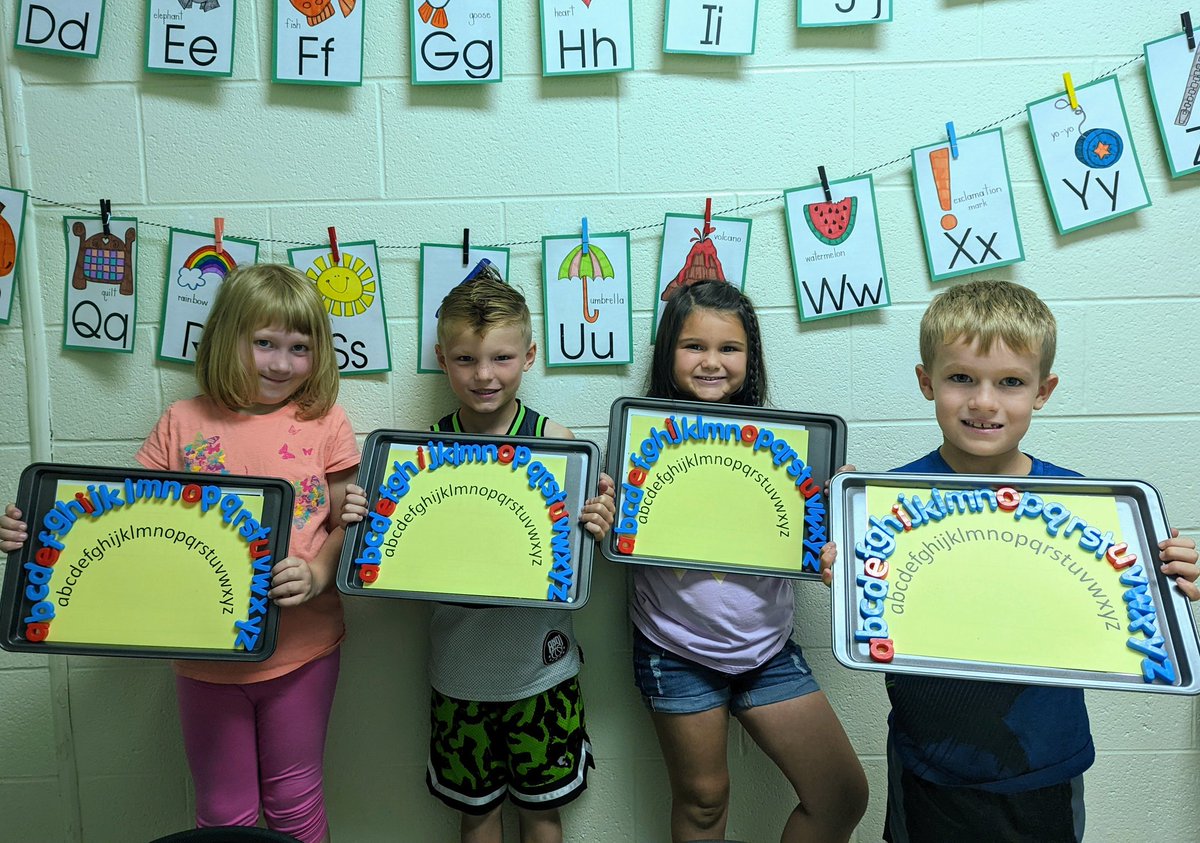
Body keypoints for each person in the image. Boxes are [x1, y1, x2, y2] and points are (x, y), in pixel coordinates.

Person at [820, 278, 1200, 843]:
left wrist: (1169, 580)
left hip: (1043, 766)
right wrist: (850, 578)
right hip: (930, 766)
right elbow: (880, 620)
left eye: (1011, 383)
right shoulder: (887, 503)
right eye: (960, 379)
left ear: (1042, 391)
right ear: (927, 382)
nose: (983, 401)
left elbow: (1120, 616)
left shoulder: (1090, 507)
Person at [2, 264, 359, 843]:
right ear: (225, 339)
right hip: (203, 656)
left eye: (300, 348)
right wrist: (34, 533)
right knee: (224, 810)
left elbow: (350, 522)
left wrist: (318, 571)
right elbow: (117, 521)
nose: (280, 363)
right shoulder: (181, 422)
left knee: (295, 798)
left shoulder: (326, 422)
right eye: (264, 343)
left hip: (303, 651)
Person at [343, 268, 615, 843]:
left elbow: (586, 553)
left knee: (543, 814)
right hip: (458, 672)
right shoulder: (418, 456)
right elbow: (389, 559)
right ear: (442, 358)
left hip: (541, 671)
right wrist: (365, 522)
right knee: (477, 815)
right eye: (466, 359)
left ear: (530, 356)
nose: (484, 375)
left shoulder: (561, 445)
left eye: (501, 358)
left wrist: (600, 524)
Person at [632, 280, 868, 843]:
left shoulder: (784, 445)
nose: (711, 361)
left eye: (728, 348)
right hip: (675, 645)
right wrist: (604, 512)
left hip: (766, 645)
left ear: (750, 357)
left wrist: (834, 522)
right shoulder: (639, 438)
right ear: (668, 354)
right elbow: (620, 532)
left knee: (841, 795)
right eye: (694, 346)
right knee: (704, 802)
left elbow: (817, 539)